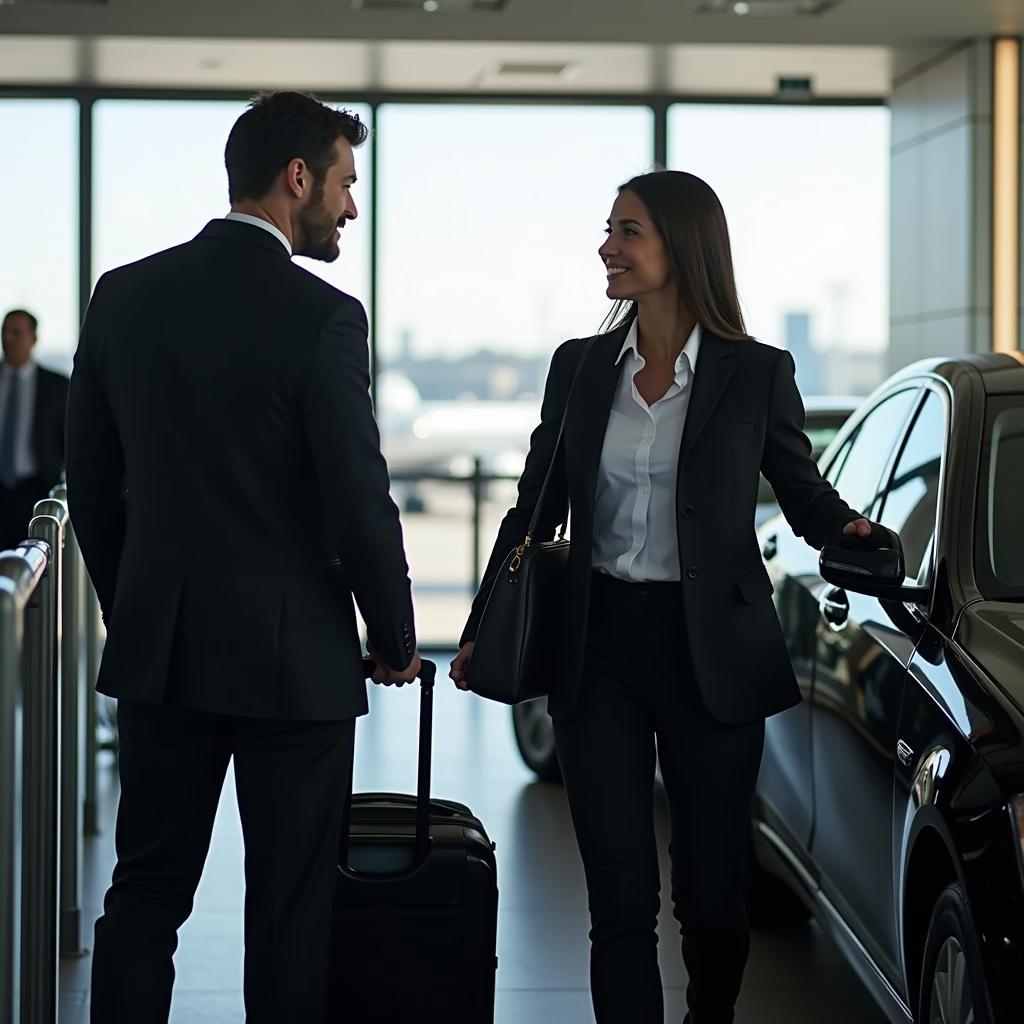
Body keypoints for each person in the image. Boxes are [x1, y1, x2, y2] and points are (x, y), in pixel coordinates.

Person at [450, 170, 882, 1024]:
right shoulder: (579, 368)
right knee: (618, 899)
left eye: (628, 231)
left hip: (710, 652)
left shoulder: (756, 373)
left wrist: (857, 535)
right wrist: (478, 631)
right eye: (609, 229)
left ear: (682, 247)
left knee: (714, 898)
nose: (607, 247)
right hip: (597, 644)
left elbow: (804, 496)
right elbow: (535, 504)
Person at [67, 91, 420, 1024]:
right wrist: (393, 636)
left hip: (165, 651)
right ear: (296, 178)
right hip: (293, 664)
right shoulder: (325, 317)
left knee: (143, 896)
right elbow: (358, 497)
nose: (351, 207)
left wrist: (138, 602)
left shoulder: (124, 294)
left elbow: (92, 490)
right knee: (292, 910)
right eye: (345, 183)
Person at [0, 309, 69, 548]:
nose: (8, 338)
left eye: (16, 332)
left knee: (34, 565)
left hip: (36, 491)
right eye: (4, 331)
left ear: (33, 339)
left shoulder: (57, 386)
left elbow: (68, 441)